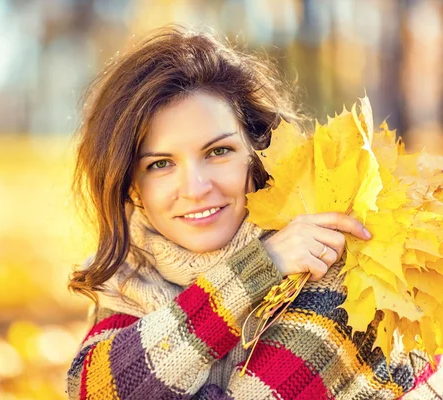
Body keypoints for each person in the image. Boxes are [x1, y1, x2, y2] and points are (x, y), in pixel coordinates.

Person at [66, 25, 441, 400]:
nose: (196, 188)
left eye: (218, 152)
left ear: (257, 148)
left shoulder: (334, 260)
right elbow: (96, 391)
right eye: (161, 164)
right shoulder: (132, 277)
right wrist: (258, 268)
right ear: (133, 185)